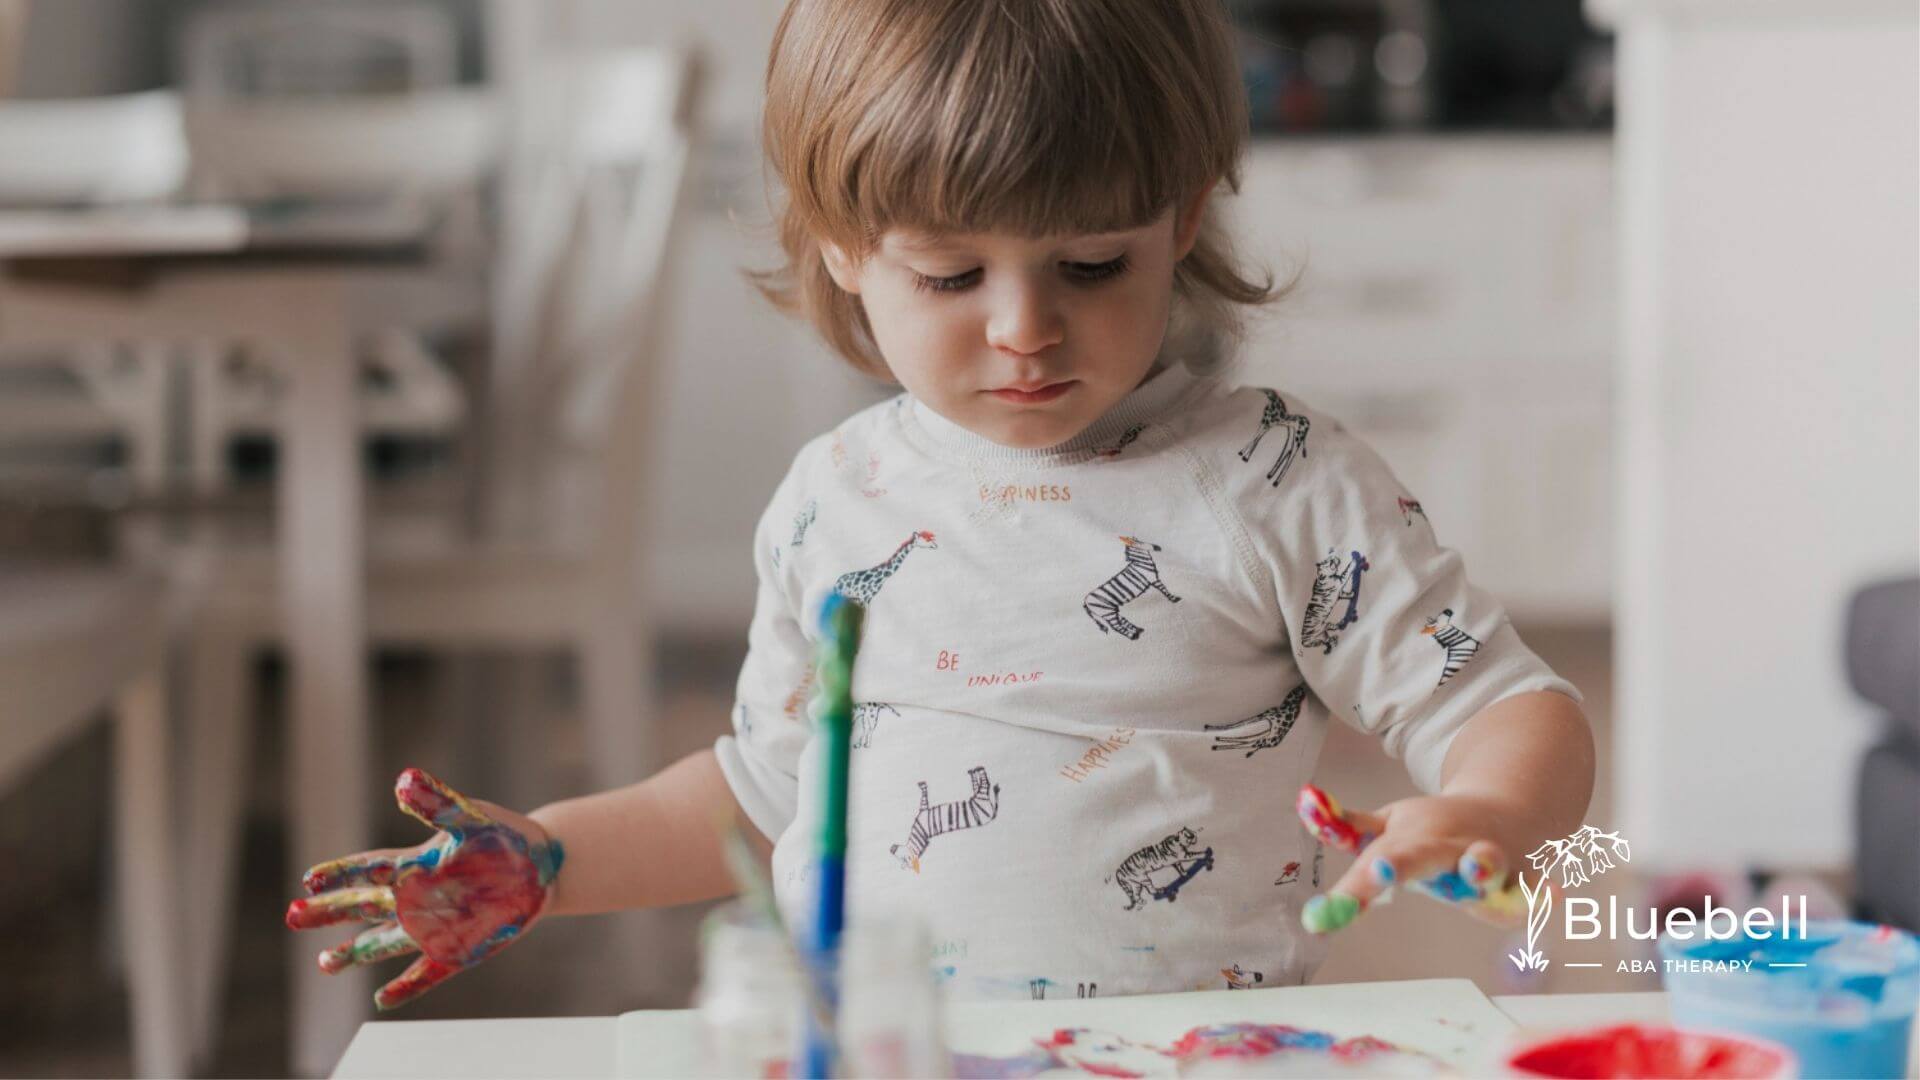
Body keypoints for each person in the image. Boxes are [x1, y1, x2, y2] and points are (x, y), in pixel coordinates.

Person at [287, 0, 1594, 1009]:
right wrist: (549, 856)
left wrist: (1487, 812)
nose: (1026, 327)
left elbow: (1515, 712)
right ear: (844, 247)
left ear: (1184, 217)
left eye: (1092, 262)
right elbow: (766, 788)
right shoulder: (832, 501)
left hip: (1188, 1057)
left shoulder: (1281, 483)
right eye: (953, 273)